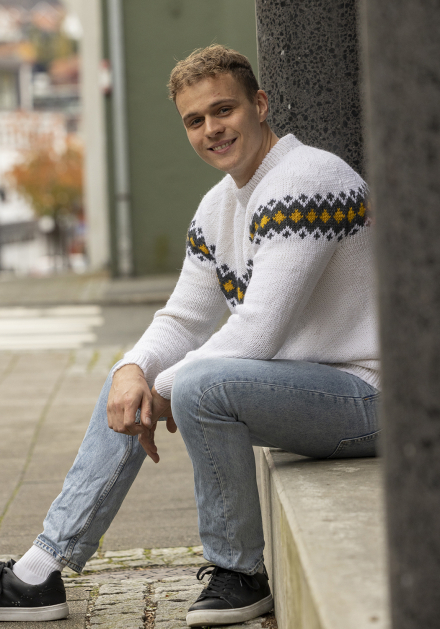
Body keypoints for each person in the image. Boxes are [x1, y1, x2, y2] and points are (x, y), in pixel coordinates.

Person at [0, 45, 380, 627]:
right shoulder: (219, 206)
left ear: (259, 105)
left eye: (224, 110)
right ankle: (40, 569)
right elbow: (181, 319)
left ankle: (239, 574)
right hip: (305, 392)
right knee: (132, 377)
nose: (211, 130)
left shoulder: (309, 179)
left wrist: (167, 388)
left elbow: (258, 331)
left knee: (197, 382)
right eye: (195, 120)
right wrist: (135, 372)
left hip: (372, 398)